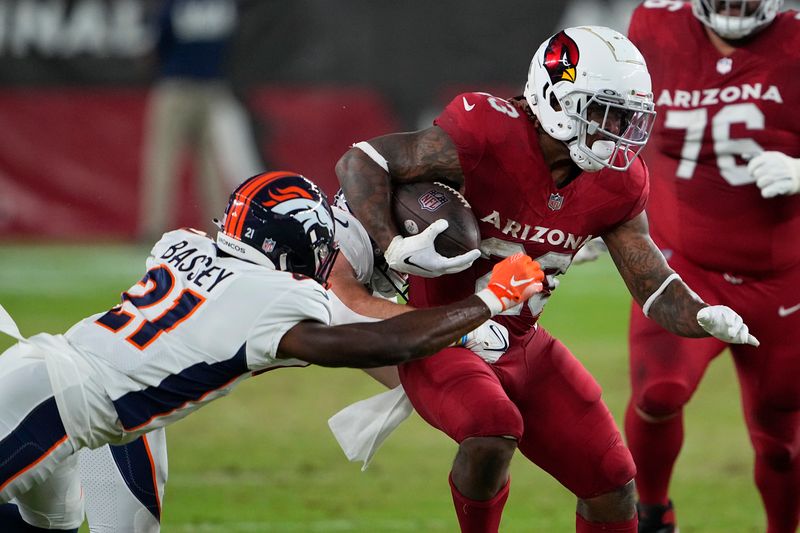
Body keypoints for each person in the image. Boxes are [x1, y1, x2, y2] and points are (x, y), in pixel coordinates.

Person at [336, 25, 759, 533]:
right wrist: (391, 243)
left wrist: (701, 313)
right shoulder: (488, 131)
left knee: (614, 482)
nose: (618, 131)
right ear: (557, 97)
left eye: (627, 117)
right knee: (494, 430)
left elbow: (654, 284)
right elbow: (363, 159)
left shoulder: (620, 182)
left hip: (521, 341)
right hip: (445, 334)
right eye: (605, 113)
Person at [0, 171, 545, 532]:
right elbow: (371, 341)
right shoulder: (275, 296)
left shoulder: (179, 243)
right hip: (60, 404)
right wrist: (486, 304)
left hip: (89, 405)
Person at [622, 2, 800, 532]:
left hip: (782, 277)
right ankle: (652, 514)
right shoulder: (654, 25)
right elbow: (616, 127)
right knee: (658, 393)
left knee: (781, 443)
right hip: (685, 262)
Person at [139, 0, 261, 242]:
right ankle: (220, 228)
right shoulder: (225, 6)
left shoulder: (177, 4)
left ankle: (154, 228)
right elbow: (234, 44)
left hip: (177, 86)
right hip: (213, 86)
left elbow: (158, 41)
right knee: (211, 165)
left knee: (164, 161)